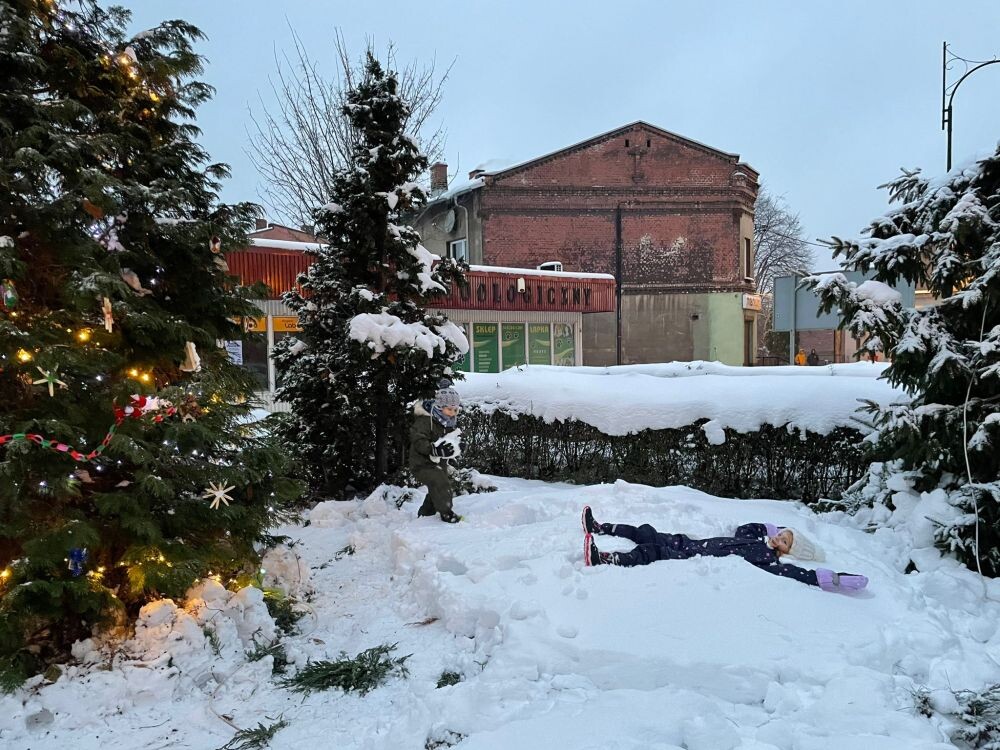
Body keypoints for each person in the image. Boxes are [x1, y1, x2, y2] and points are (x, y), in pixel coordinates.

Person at [580, 506, 867, 593]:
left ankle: (604, 558)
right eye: (782, 533)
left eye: (786, 540)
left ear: (788, 551)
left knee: (651, 550)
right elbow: (747, 528)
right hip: (691, 543)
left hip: (693, 557)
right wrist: (769, 528)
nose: (780, 537)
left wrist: (831, 578)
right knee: (647, 531)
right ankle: (601, 527)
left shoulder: (769, 561)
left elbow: (798, 574)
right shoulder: (756, 541)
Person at [410, 380, 463, 523]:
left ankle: (426, 512)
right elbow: (418, 439)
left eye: (455, 410)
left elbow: (452, 439)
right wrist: (433, 449)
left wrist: (458, 446)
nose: (452, 413)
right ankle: (446, 513)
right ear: (439, 407)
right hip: (421, 462)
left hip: (439, 462)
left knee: (438, 484)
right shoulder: (425, 421)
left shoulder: (448, 423)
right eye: (449, 409)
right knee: (440, 482)